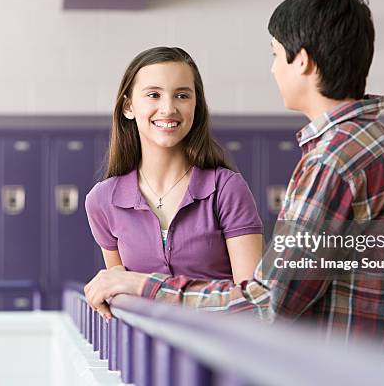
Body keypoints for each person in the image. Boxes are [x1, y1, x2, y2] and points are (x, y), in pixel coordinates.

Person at [84, 0, 384, 350]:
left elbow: (266, 304)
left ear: (302, 61)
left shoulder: (331, 160)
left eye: (276, 54)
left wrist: (143, 285)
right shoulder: (377, 141)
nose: (274, 69)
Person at [84, 46, 264, 317]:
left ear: (196, 105)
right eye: (153, 95)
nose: (168, 108)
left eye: (182, 95)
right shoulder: (102, 201)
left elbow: (253, 301)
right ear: (128, 106)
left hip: (219, 353)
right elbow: (119, 295)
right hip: (147, 356)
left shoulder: (227, 189)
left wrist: (146, 285)